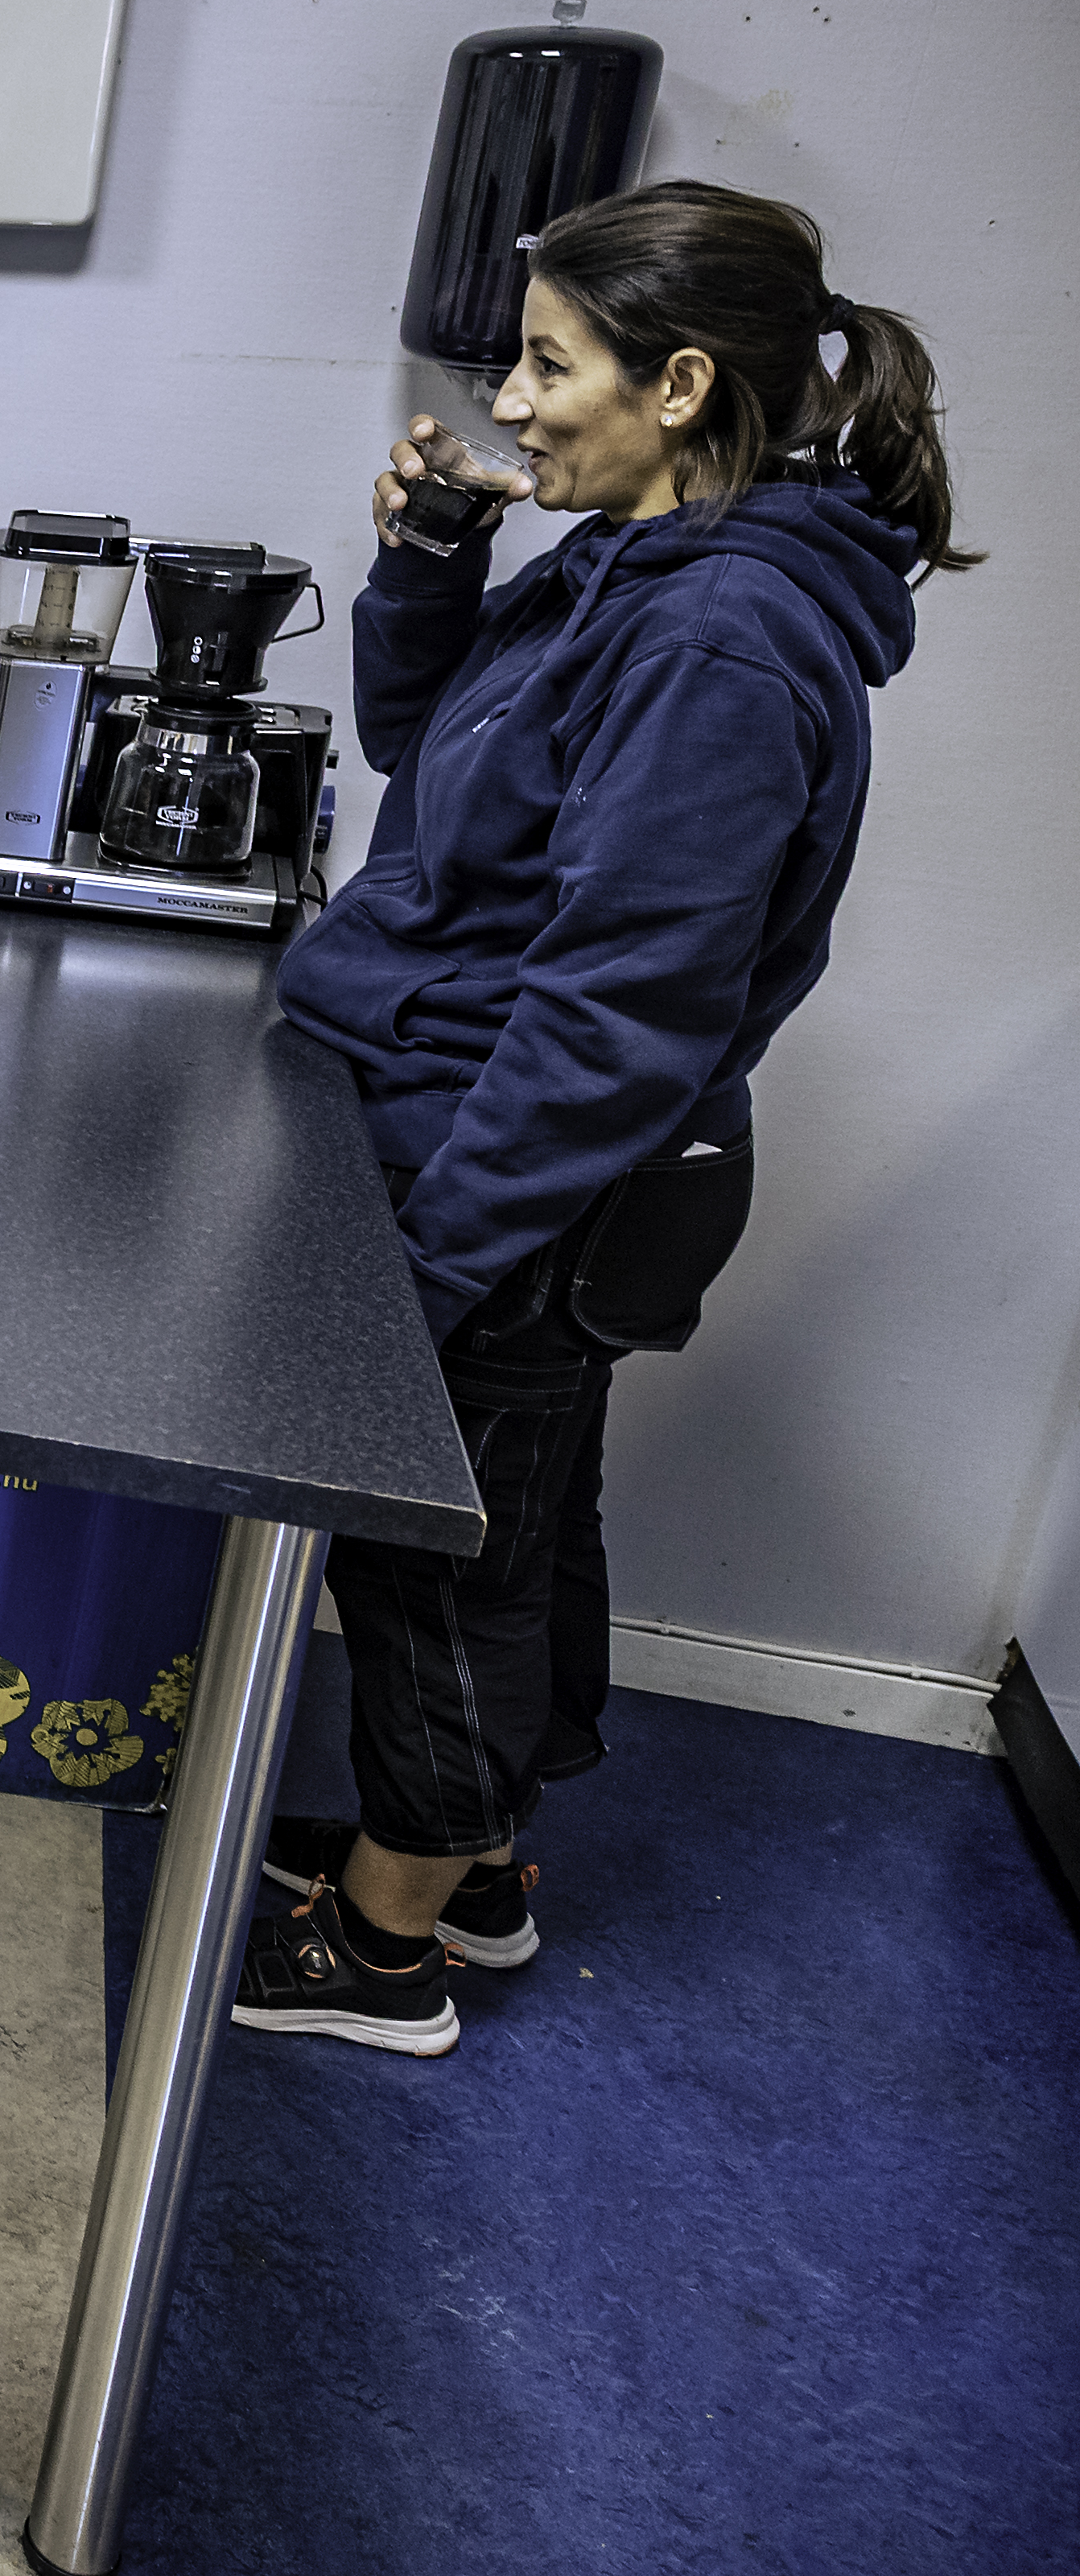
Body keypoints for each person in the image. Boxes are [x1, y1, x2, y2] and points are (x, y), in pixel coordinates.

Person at [238, 180, 966, 2058]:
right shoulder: (628, 561)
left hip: (518, 1162)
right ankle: (462, 1874)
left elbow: (619, 1009)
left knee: (436, 1560)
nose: (512, 394)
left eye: (549, 361)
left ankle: (381, 1951)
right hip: (476, 1125)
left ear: (679, 384)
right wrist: (420, 558)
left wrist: (426, 1263)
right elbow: (433, 763)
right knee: (511, 1529)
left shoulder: (720, 637)